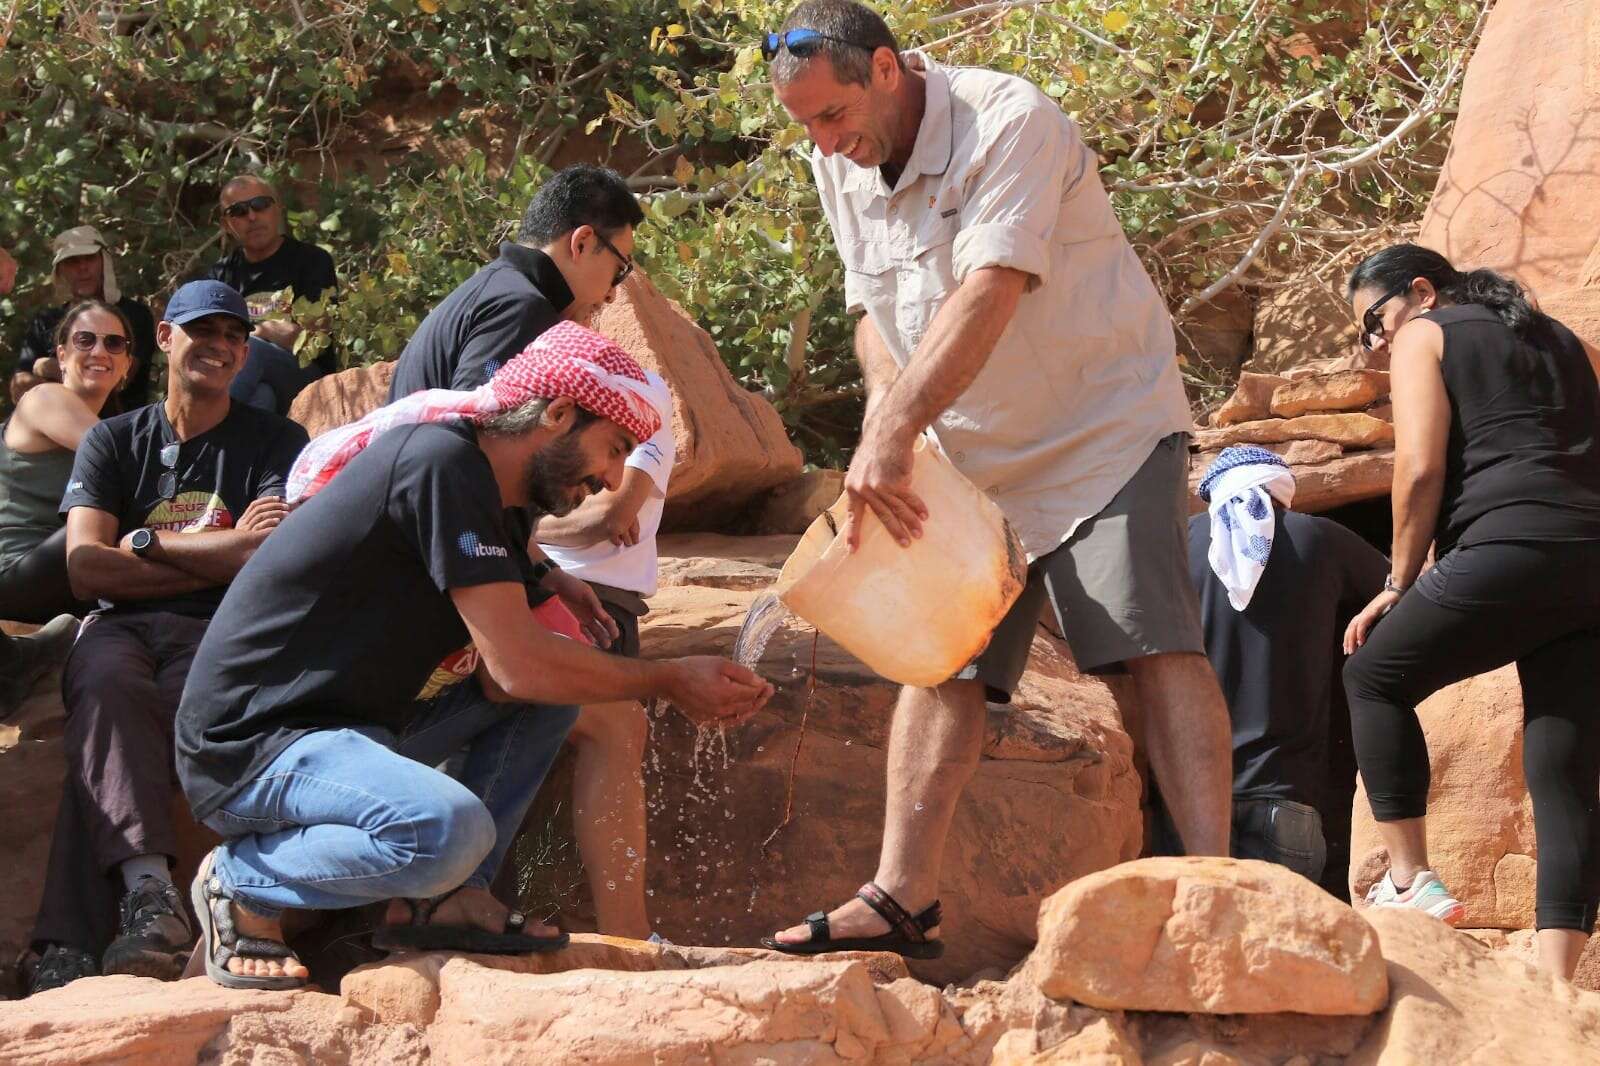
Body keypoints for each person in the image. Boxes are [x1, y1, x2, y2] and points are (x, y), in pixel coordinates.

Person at [760, 1, 1226, 959]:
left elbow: (991, 289)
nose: (824, 143)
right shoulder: (835, 155)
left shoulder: (1009, 120)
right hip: (963, 446)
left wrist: (896, 426)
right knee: (942, 660)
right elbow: (872, 311)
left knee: (1150, 642)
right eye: (806, 125)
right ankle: (902, 899)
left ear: (885, 68)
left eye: (832, 116)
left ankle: (1219, 885)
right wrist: (888, 413)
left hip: (1100, 429)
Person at [173, 322, 770, 990]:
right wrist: (668, 678)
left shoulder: (502, 502)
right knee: (445, 831)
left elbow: (521, 677)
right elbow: (518, 663)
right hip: (253, 746)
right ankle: (242, 883)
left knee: (553, 698)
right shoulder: (441, 464)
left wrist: (549, 581)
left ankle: (447, 898)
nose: (610, 481)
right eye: (613, 449)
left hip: (351, 734)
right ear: (558, 414)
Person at [25, 281, 308, 995]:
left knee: (161, 723)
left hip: (222, 626)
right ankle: (150, 897)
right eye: (202, 330)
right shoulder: (114, 439)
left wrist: (146, 542)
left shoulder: (277, 440)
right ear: (164, 337)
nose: (220, 345)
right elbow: (85, 567)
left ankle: (66, 942)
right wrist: (218, 548)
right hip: (119, 624)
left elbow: (263, 557)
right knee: (105, 688)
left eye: (234, 336)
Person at [1341, 242, 1600, 981]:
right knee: (1564, 769)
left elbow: (1420, 467)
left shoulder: (1426, 334)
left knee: (1372, 675)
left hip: (1507, 544)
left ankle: (1409, 880)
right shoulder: (1572, 344)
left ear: (1422, 291)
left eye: (1374, 321)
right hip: (1591, 563)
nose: (1375, 341)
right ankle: (1554, 986)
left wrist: (1398, 582)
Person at [390, 163, 646, 708]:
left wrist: (542, 569)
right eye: (619, 269)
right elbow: (470, 450)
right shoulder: (521, 309)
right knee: (594, 707)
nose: (613, 294)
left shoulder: (498, 289)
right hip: (438, 561)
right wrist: (516, 588)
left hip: (441, 545)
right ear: (582, 242)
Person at [1181, 446, 1388, 887]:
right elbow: (1402, 595)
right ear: (1281, 489)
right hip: (1286, 796)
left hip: (1188, 799)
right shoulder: (1319, 538)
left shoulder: (1180, 545)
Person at [534, 370, 676, 939]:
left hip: (595, 600)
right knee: (610, 722)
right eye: (614, 451)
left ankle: (625, 936)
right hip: (534, 585)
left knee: (613, 722)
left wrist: (523, 528)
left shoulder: (642, 396)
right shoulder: (517, 399)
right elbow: (603, 517)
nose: (612, 475)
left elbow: (608, 517)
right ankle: (628, 937)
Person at [0, 301, 139, 716]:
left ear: (127, 364)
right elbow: (131, 470)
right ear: (61, 354)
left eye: (114, 344)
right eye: (85, 340)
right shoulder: (44, 398)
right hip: (17, 573)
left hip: (68, 577)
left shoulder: (116, 426)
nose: (100, 351)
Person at [206, 174, 339, 378]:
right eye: (238, 211)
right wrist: (269, 331)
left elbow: (312, 338)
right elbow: (212, 341)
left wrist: (258, 333)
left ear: (278, 208)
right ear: (226, 225)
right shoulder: (220, 276)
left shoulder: (312, 260)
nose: (252, 216)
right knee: (262, 394)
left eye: (260, 204)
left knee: (251, 351)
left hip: (306, 376)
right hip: (249, 377)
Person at [13, 227, 158, 408]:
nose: (82, 268)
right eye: (72, 261)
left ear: (103, 262)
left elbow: (118, 380)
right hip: (54, 421)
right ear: (61, 269)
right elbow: (19, 387)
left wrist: (47, 367)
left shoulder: (134, 315)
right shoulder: (45, 321)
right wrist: (82, 374)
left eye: (89, 258)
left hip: (120, 423)